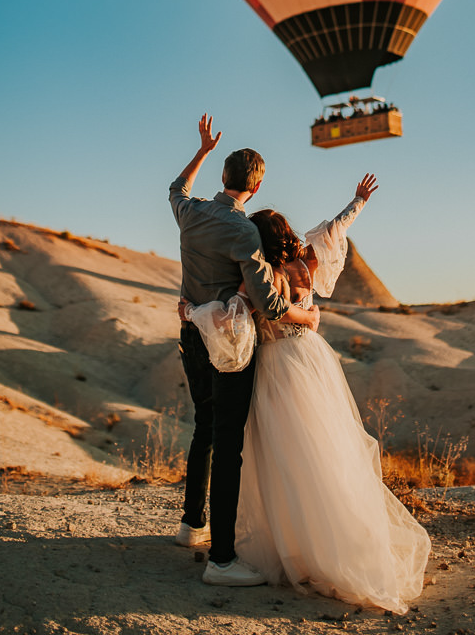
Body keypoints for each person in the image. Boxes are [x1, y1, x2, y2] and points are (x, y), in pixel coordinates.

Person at [232, 176, 431, 613]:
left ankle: (298, 545)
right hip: (312, 359)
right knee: (327, 448)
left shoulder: (258, 274)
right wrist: (357, 201)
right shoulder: (305, 266)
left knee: (285, 454)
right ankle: (340, 537)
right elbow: (334, 231)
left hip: (276, 367)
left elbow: (238, 313)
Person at [169, 114, 320, 588]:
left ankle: (191, 526)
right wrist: (308, 316)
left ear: (223, 178)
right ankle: (222, 560)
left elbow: (175, 186)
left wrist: (203, 149)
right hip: (229, 346)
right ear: (255, 187)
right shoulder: (244, 232)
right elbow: (271, 305)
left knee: (205, 428)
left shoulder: (189, 211)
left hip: (191, 335)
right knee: (229, 444)